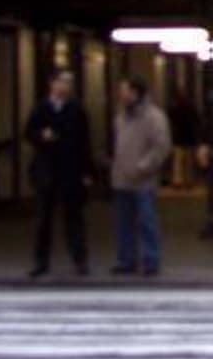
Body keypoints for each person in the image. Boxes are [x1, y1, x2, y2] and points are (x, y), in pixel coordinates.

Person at [24, 69, 93, 278]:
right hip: (47, 169)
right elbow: (28, 132)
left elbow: (85, 142)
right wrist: (41, 135)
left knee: (74, 216)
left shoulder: (76, 109)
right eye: (62, 82)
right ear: (52, 84)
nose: (65, 87)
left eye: (68, 83)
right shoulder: (41, 108)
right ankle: (41, 261)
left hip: (70, 169)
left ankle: (80, 259)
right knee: (43, 218)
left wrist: (87, 171)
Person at [109, 76, 171, 277]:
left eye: (124, 90)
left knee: (146, 220)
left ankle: (151, 259)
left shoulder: (154, 117)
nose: (121, 95)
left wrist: (143, 166)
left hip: (144, 179)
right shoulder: (120, 117)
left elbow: (161, 146)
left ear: (135, 93)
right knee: (124, 222)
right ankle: (127, 259)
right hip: (122, 177)